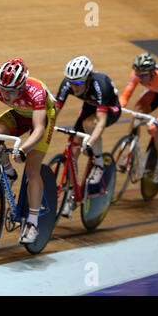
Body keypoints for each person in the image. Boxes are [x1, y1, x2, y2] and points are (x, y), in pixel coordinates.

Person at [0, 58, 56, 244]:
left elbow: (38, 129)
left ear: (21, 87)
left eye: (9, 90)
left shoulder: (36, 92)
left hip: (42, 119)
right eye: (2, 89)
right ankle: (8, 171)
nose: (4, 94)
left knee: (32, 169)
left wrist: (23, 149)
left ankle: (32, 221)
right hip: (19, 115)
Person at [55, 55, 121, 218]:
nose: (74, 87)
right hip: (90, 107)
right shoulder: (68, 84)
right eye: (71, 82)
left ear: (88, 79)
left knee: (89, 125)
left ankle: (98, 163)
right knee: (72, 150)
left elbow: (100, 122)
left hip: (110, 109)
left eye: (78, 83)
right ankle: (71, 195)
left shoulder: (101, 84)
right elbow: (54, 111)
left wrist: (90, 143)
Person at [119, 52, 158, 183]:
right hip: (155, 91)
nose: (140, 78)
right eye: (138, 74)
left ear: (152, 72)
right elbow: (125, 96)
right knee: (137, 112)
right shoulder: (136, 75)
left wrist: (157, 122)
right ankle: (130, 147)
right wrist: (117, 108)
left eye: (143, 75)